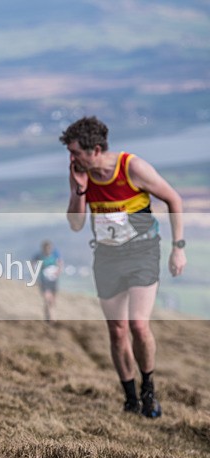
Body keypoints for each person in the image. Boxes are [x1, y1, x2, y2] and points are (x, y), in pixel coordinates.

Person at [61, 116, 186, 418]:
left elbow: (173, 199)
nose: (72, 158)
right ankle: (130, 398)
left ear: (97, 149)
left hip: (142, 252)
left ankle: (149, 390)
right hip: (106, 257)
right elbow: (76, 224)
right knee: (117, 331)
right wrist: (79, 191)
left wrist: (178, 249)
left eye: (76, 152)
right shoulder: (80, 173)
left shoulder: (132, 168)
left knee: (138, 325)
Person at [32, 240, 63, 323]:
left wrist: (58, 271)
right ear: (43, 248)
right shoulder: (39, 255)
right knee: (48, 299)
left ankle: (47, 317)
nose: (48, 249)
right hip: (44, 281)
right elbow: (32, 263)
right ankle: (53, 319)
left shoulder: (55, 254)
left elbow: (60, 262)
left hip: (53, 281)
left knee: (53, 301)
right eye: (47, 248)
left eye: (50, 248)